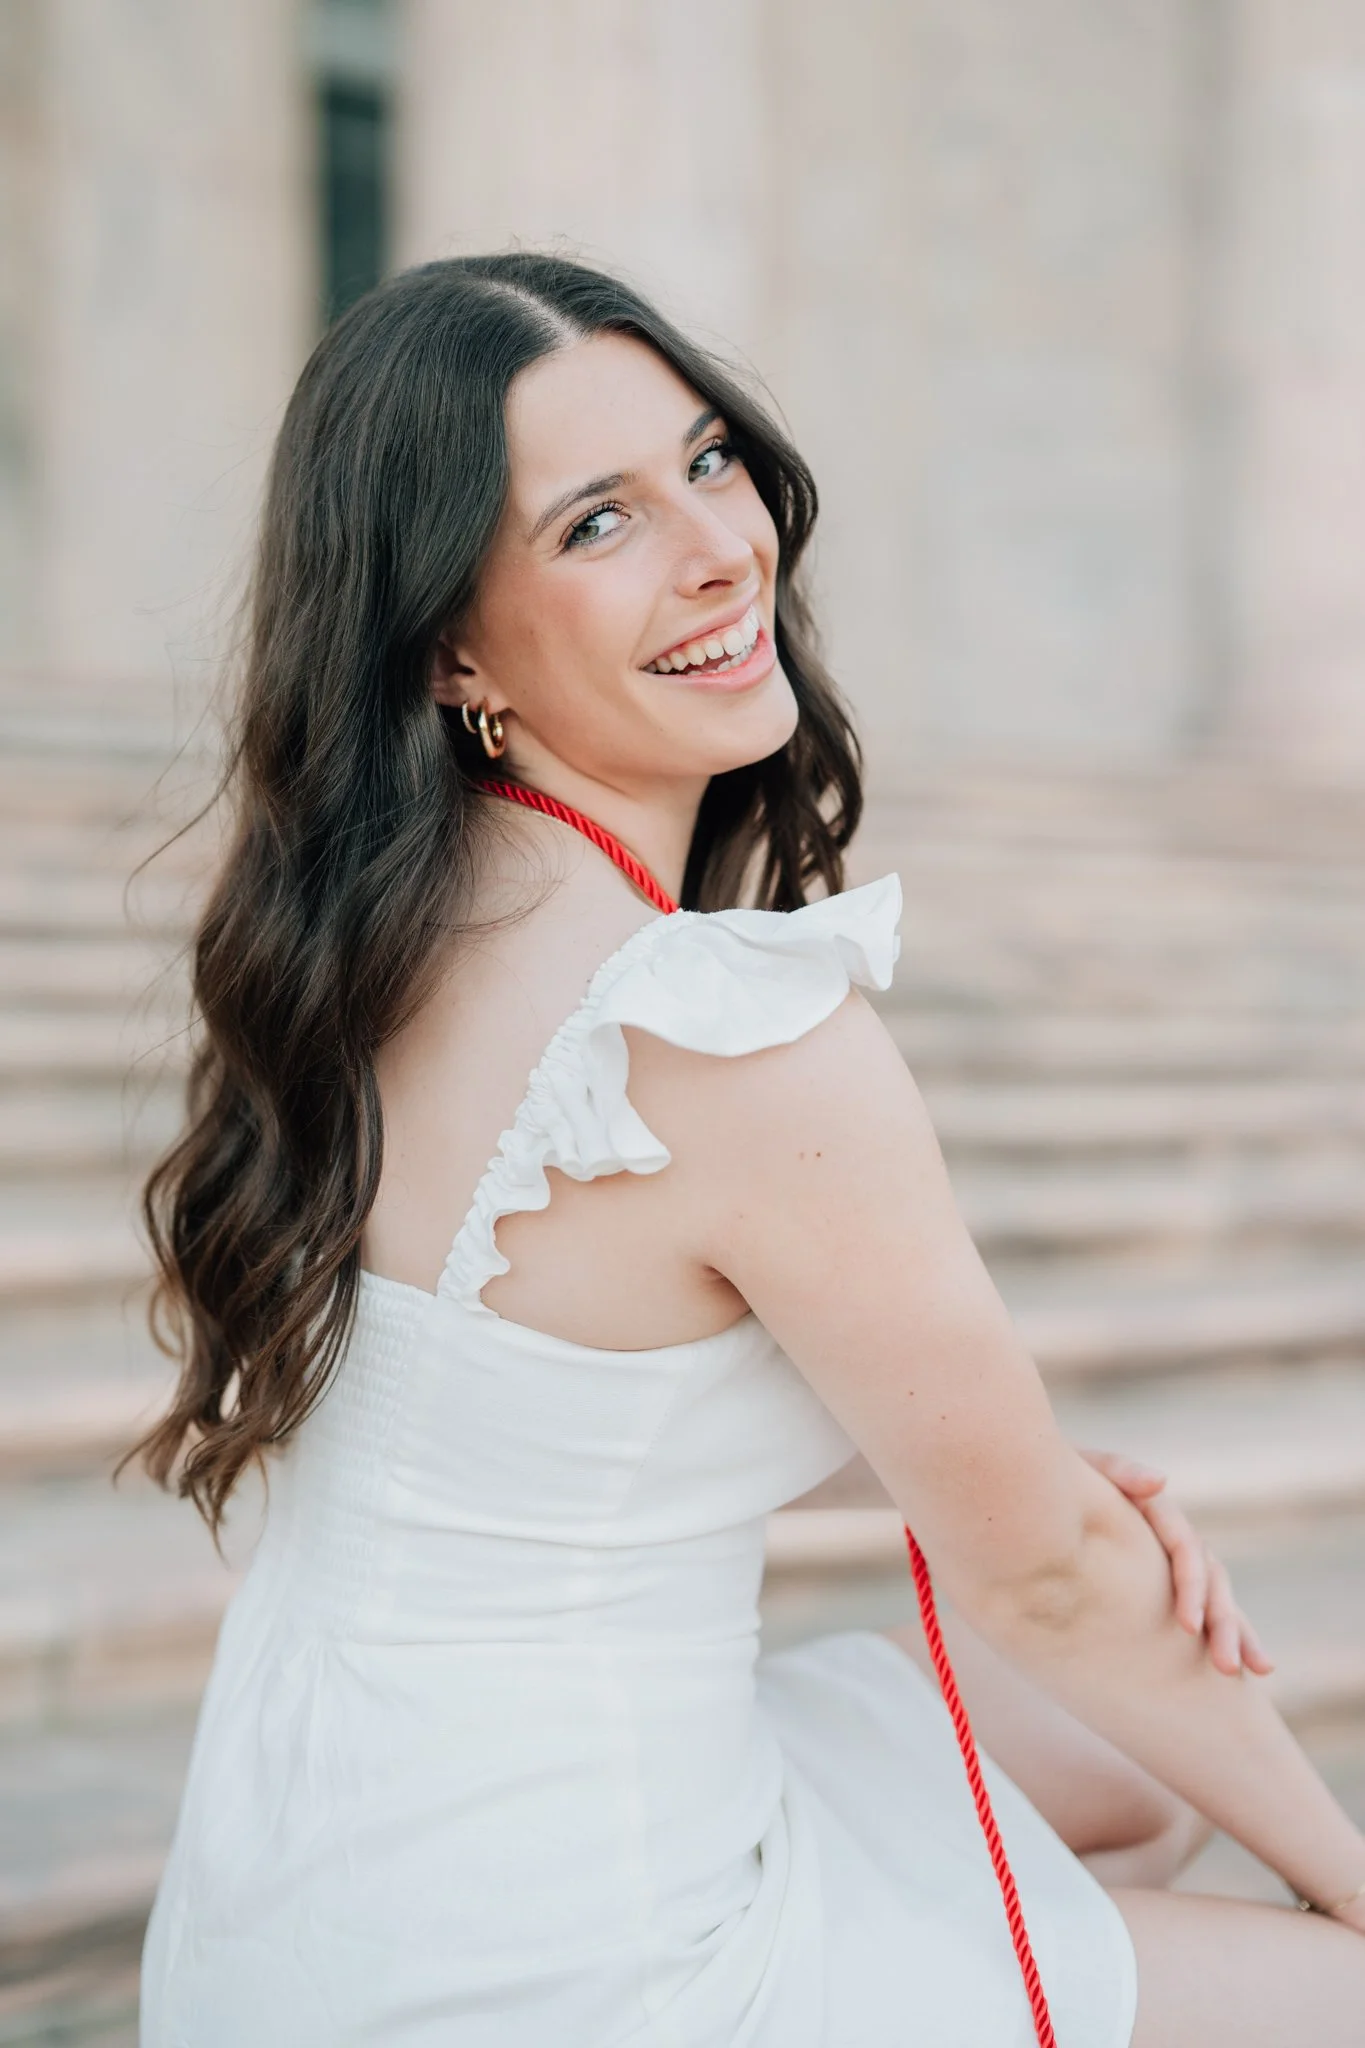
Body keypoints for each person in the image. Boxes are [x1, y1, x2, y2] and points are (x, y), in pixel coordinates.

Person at [130, 252, 1365, 2047]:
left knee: (1108, 1756)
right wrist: (1344, 1870)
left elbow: (524, 1403)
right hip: (582, 1967)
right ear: (454, 643)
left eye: (710, 462)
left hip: (296, 1911)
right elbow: (1043, 1585)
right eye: (600, 522)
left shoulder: (361, 943)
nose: (721, 549)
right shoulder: (726, 1033)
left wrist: (991, 1459)